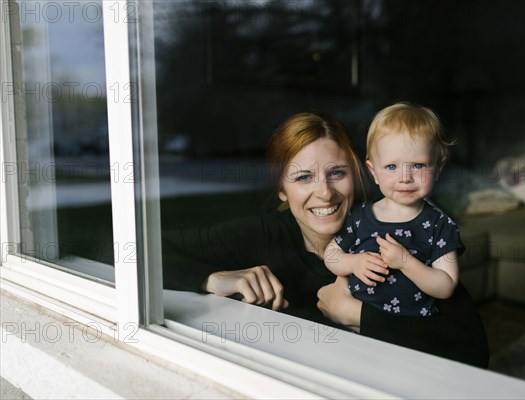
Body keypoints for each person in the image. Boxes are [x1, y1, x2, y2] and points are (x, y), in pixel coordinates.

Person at [162, 112, 489, 367]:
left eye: (337, 173)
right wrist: (212, 278)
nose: (325, 192)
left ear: (359, 174)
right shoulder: (264, 235)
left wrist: (357, 314)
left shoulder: (398, 230)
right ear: (281, 190)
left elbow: (471, 348)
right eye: (304, 177)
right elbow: (140, 250)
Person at [325, 102, 462, 318]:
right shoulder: (360, 216)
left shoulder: (440, 225)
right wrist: (353, 262)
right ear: (373, 172)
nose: (405, 178)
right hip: (354, 324)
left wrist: (405, 262)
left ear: (438, 167)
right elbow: (331, 255)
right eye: (391, 167)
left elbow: (446, 286)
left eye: (418, 165)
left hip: (410, 332)